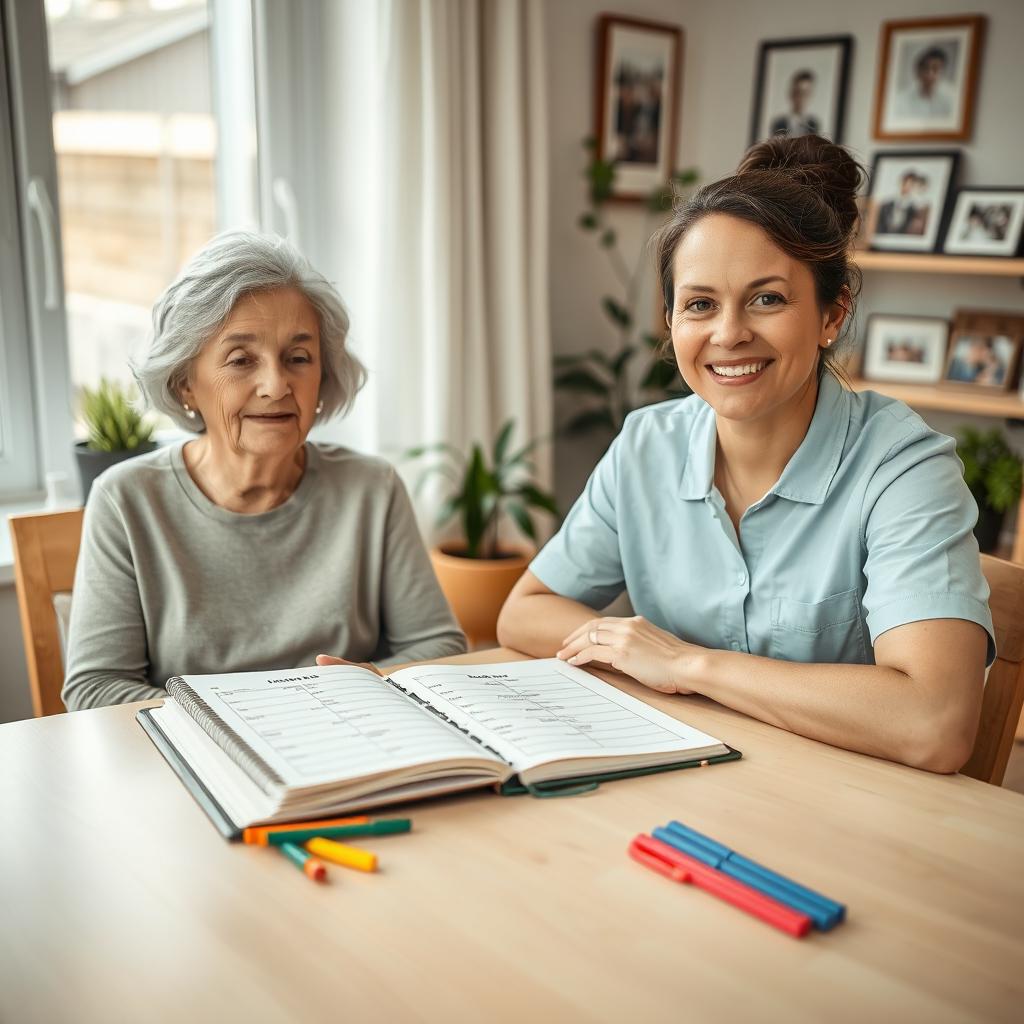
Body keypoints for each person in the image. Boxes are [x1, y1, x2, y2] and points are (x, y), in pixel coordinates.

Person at [497, 135, 994, 774]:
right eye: (700, 304)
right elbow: (525, 611)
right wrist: (639, 650)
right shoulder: (647, 444)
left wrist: (686, 664)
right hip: (686, 772)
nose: (728, 334)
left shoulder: (904, 470)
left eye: (768, 299)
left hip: (848, 807)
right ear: (672, 322)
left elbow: (935, 723)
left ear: (831, 315)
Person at [63, 231, 466, 710]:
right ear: (185, 383)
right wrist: (253, 724)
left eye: (298, 358)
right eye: (241, 360)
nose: (276, 385)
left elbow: (441, 648)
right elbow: (97, 689)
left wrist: (367, 686)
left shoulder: (371, 488)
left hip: (351, 747)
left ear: (324, 376)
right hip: (197, 762)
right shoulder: (125, 499)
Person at [893, 45, 956, 123]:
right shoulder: (902, 98)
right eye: (926, 68)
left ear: (943, 72)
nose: (930, 74)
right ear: (918, 71)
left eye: (935, 69)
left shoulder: (951, 97)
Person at [770, 70, 821, 138]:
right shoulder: (779, 124)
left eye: (806, 93)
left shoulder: (813, 125)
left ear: (811, 95)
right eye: (798, 92)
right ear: (791, 93)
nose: (802, 98)